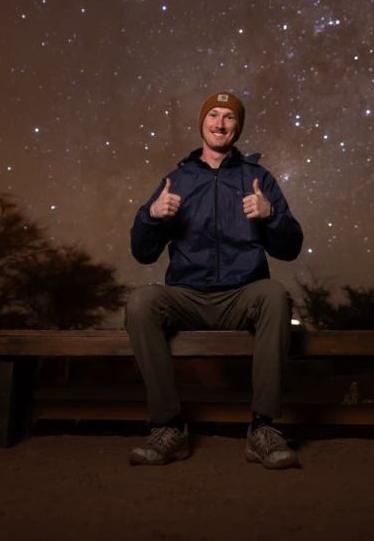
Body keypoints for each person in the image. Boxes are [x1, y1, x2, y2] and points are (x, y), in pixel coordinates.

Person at [126, 90, 303, 469]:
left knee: (274, 294)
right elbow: (142, 254)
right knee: (141, 302)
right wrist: (152, 216)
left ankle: (262, 428)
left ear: (238, 127)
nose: (220, 123)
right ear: (202, 122)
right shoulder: (177, 178)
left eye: (229, 117)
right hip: (186, 296)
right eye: (214, 115)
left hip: (243, 296)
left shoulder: (258, 178)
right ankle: (168, 427)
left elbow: (291, 249)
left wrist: (270, 214)